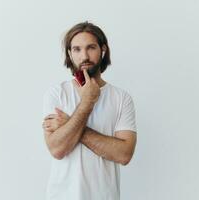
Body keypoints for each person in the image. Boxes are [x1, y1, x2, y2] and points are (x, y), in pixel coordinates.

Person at [42, 21, 138, 200]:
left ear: (103, 50)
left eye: (90, 47)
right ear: (70, 54)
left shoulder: (121, 98)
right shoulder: (57, 94)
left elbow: (124, 154)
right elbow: (57, 149)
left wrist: (71, 124)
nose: (84, 56)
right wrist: (87, 102)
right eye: (77, 49)